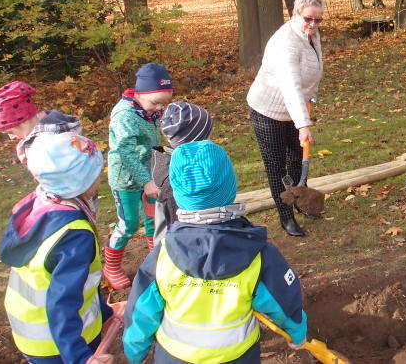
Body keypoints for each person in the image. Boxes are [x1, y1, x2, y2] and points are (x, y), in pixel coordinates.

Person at [122, 140, 308, 364]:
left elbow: (141, 311)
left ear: (178, 194)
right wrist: (296, 332)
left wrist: (135, 353)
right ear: (231, 188)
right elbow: (284, 301)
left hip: (174, 357)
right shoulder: (259, 254)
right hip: (239, 356)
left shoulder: (162, 256)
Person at [0, 131, 118, 364]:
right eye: (95, 172)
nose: (101, 176)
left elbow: (81, 283)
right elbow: (63, 301)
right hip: (58, 344)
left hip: (31, 329)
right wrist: (80, 357)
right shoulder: (74, 236)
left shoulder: (43, 202)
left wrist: (105, 313)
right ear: (78, 182)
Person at [247, 0, 325, 237]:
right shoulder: (285, 44)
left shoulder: (311, 33)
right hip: (268, 112)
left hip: (295, 110)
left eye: (318, 19)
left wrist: (310, 97)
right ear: (295, 14)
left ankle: (301, 201)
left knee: (295, 159)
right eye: (308, 19)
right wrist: (303, 124)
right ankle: (286, 216)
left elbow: (312, 68)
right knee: (277, 166)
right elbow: (290, 86)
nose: (313, 24)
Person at [105, 63, 174, 289]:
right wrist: (145, 181)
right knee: (129, 223)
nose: (159, 109)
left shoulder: (149, 109)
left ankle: (157, 258)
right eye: (156, 103)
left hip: (150, 176)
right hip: (127, 179)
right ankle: (111, 266)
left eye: (163, 105)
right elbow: (125, 151)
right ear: (139, 93)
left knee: (155, 218)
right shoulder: (125, 115)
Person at [150, 101, 214, 243]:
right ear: (197, 141)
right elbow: (176, 224)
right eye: (209, 135)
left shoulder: (171, 161)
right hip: (184, 247)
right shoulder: (179, 180)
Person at [0, 81, 81, 165]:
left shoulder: (45, 145)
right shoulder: (58, 125)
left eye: (10, 132)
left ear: (23, 122)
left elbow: (51, 178)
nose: (11, 138)